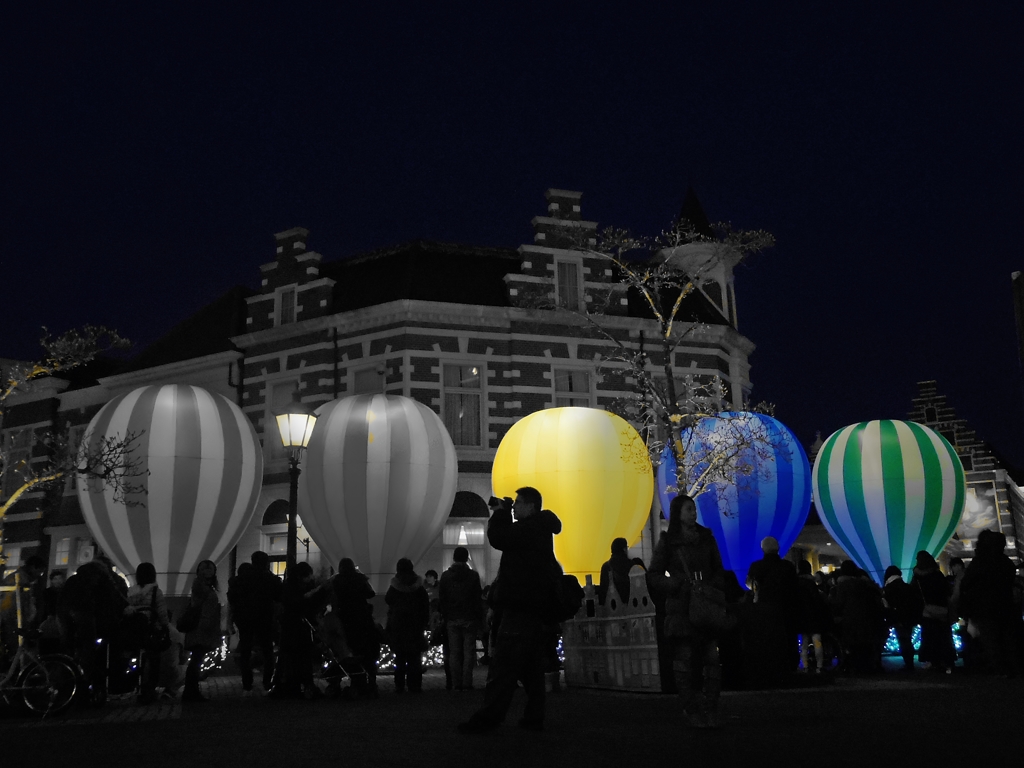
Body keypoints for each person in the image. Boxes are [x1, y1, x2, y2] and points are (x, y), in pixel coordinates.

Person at [458, 486, 562, 733]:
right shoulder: (540, 530)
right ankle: (533, 718)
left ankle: (489, 718)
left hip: (519, 609)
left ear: (530, 506)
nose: (514, 507)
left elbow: (498, 538)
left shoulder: (530, 529)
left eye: (517, 503)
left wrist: (500, 513)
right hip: (533, 610)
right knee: (531, 669)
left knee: (503, 667)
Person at [647, 493, 726, 729]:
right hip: (682, 608)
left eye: (694, 509)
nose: (693, 513)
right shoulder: (669, 542)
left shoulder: (706, 538)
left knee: (711, 659)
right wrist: (676, 584)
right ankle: (691, 707)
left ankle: (710, 708)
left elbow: (718, 569)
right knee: (685, 659)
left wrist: (711, 588)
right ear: (677, 513)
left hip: (705, 606)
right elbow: (654, 575)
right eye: (688, 509)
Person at [960, 530, 1020, 676]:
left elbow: (966, 584)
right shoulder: (1006, 562)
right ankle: (1012, 668)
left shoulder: (979, 562)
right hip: (1005, 606)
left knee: (991, 640)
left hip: (984, 608)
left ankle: (999, 669)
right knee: (1007, 638)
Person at [319, 558, 379, 698]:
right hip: (363, 619)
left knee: (349, 652)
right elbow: (371, 593)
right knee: (366, 652)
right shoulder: (360, 579)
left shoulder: (336, 581)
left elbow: (326, 595)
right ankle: (370, 683)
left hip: (345, 619)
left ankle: (356, 682)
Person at [229, 551, 283, 693]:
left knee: (245, 649)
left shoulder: (242, 578)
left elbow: (232, 597)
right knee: (267, 650)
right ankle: (267, 681)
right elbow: (279, 596)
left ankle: (247, 681)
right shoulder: (269, 578)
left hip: (245, 618)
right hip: (264, 617)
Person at [124, 562, 170, 703]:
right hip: (150, 630)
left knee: (136, 658)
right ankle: (149, 689)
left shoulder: (130, 592)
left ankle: (134, 685)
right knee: (153, 659)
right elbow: (161, 613)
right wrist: (165, 627)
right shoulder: (156, 591)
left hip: (133, 631)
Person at [272, 561, 320, 699]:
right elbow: (297, 604)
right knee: (300, 656)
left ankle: (290, 685)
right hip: (296, 626)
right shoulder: (295, 589)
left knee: (290, 656)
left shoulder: (289, 586)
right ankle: (299, 684)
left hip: (291, 626)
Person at [440, 546, 483, 690]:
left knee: (454, 652)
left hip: (452, 617)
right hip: (469, 617)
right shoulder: (473, 576)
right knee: (468, 652)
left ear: (453, 558)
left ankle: (456, 682)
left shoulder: (446, 576)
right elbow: (477, 598)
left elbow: (442, 599)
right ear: (467, 558)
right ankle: (467, 682)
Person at [828, 560, 884, 674]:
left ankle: (855, 668)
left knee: (853, 646)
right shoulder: (865, 584)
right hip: (867, 619)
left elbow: (838, 603)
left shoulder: (842, 586)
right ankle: (868, 667)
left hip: (849, 620)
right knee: (866, 646)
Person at [385, 558, 430, 694]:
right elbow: (425, 605)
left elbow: (388, 600)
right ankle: (415, 685)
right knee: (415, 658)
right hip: (415, 625)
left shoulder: (395, 586)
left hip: (399, 625)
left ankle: (399, 685)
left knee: (400, 657)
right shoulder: (419, 587)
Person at [182, 559, 222, 702]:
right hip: (201, 627)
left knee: (196, 660)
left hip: (203, 627)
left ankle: (191, 691)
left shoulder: (203, 586)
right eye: (205, 568)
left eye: (210, 568)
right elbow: (201, 606)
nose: (208, 571)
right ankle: (190, 692)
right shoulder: (201, 586)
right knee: (196, 660)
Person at [911, 551, 956, 674]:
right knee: (944, 637)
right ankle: (948, 661)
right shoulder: (938, 575)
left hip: (927, 611)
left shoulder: (918, 578)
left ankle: (934, 661)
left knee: (930, 637)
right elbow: (946, 591)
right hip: (942, 610)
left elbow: (914, 594)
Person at [882, 565, 922, 672]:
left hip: (897, 618)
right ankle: (910, 663)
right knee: (907, 639)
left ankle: (908, 664)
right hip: (909, 617)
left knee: (903, 640)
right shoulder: (907, 587)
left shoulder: (888, 589)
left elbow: (887, 605)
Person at [796, 560, 830, 674]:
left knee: (804, 644)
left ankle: (805, 666)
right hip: (814, 616)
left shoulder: (796, 583)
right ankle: (819, 666)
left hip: (801, 616)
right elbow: (817, 600)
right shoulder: (811, 584)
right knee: (817, 642)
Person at [597, 537, 634, 605]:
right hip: (631, 604)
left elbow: (603, 589)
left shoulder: (606, 566)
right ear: (624, 549)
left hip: (612, 605)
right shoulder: (632, 565)